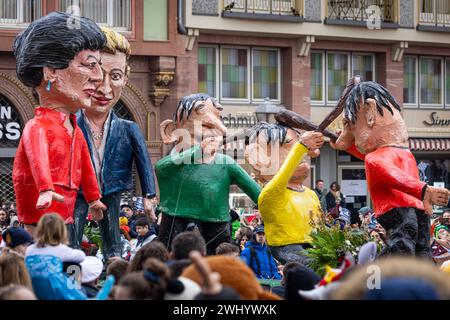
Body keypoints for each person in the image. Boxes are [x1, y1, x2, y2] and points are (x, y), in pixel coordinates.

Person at [12, 12, 106, 238]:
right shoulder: (37, 126)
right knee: (41, 241)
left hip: (66, 200)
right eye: (89, 65)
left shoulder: (74, 128)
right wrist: (45, 188)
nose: (99, 76)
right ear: (51, 71)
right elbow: (38, 160)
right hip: (42, 201)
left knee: (59, 241)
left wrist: (94, 197)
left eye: (98, 66)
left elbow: (86, 165)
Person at [331, 81, 450, 257]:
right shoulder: (377, 157)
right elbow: (393, 175)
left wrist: (423, 194)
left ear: (370, 113)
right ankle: (386, 277)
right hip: (398, 207)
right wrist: (423, 190)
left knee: (418, 247)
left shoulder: (389, 154)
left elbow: (392, 171)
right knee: (404, 243)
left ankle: (411, 278)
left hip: (413, 205)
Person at [73, 27, 156, 259]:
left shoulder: (128, 128)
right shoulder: (70, 125)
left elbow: (144, 164)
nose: (106, 89)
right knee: (71, 241)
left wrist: (150, 196)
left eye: (116, 76)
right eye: (97, 77)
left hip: (111, 191)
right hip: (77, 193)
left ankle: (116, 282)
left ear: (126, 79)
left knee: (114, 246)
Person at [157, 93, 261, 254]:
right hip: (176, 218)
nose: (221, 131)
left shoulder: (226, 164)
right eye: (206, 127)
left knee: (219, 259)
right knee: (172, 257)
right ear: (171, 132)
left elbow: (259, 195)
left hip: (216, 221)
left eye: (219, 125)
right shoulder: (175, 161)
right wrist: (197, 151)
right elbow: (162, 167)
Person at [244, 122, 324, 265]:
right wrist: (301, 146)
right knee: (312, 265)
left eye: (297, 146)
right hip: (286, 247)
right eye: (288, 146)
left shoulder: (310, 194)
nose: (303, 153)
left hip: (314, 244)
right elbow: (282, 176)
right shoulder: (271, 193)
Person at [25, 214, 87, 300]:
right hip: (55, 292)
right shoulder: (61, 249)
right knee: (74, 266)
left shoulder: (29, 249)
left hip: (32, 290)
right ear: (61, 230)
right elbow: (81, 256)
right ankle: (74, 292)